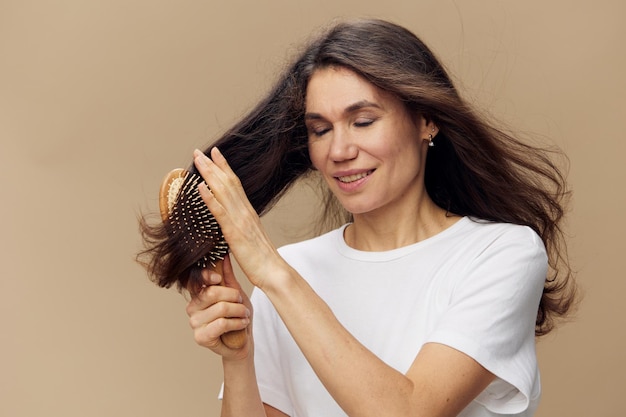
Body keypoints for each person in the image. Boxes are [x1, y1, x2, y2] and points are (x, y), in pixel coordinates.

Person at [140, 18, 576, 417]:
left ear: (426, 121)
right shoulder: (291, 273)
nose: (339, 151)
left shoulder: (501, 254)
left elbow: (409, 411)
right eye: (320, 129)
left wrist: (272, 271)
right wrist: (239, 360)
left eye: (363, 121)